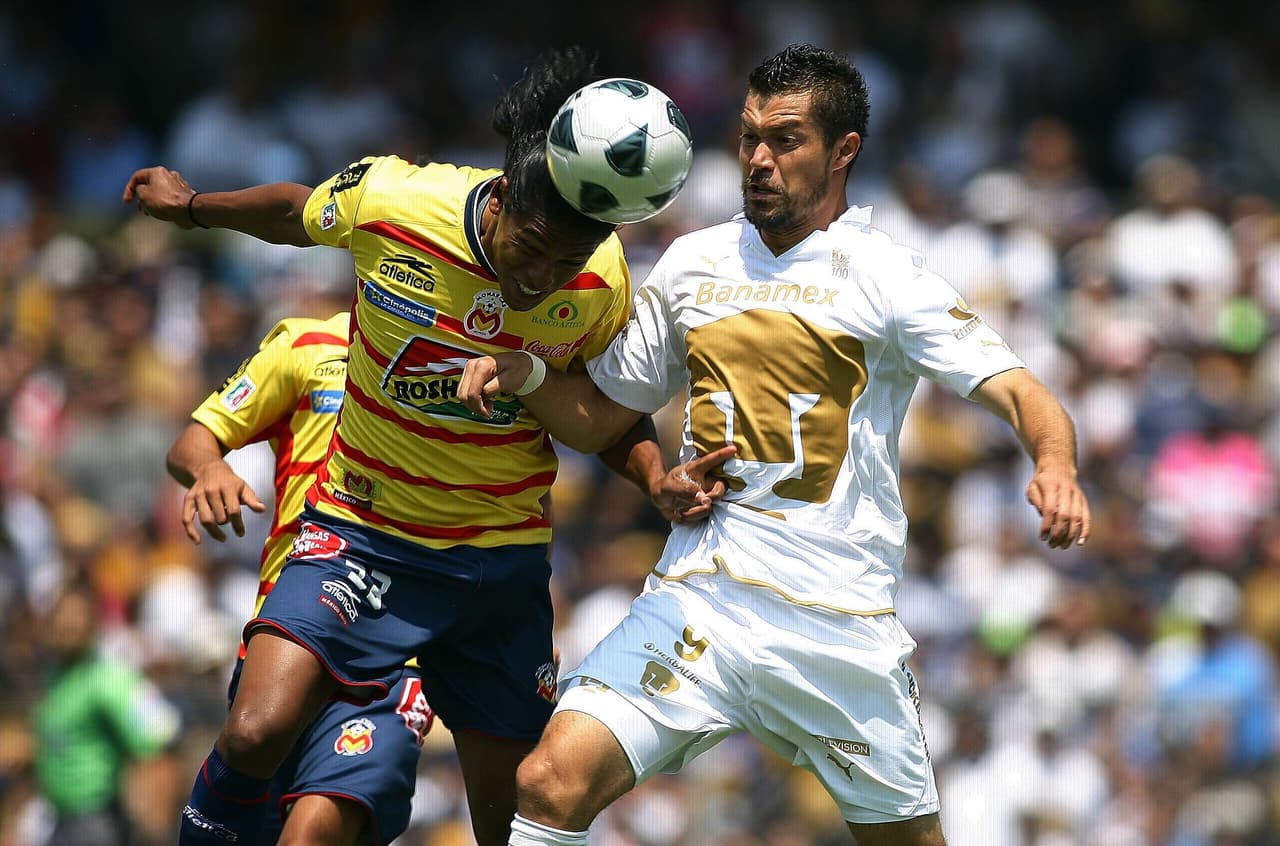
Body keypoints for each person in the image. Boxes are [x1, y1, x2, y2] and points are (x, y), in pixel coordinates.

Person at [457, 44, 1092, 846]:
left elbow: (1025, 394)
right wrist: (523, 375)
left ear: (843, 151)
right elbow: (600, 414)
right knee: (548, 785)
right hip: (702, 597)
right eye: (749, 135)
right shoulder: (694, 263)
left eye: (785, 139)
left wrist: (1056, 465)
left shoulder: (887, 275)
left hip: (836, 623)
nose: (758, 158)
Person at [123, 47, 725, 846]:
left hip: (498, 566)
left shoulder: (602, 281)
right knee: (254, 732)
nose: (539, 278)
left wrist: (654, 477)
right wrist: (195, 206)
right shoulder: (398, 200)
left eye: (564, 260)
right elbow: (292, 212)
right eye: (531, 245)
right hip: (365, 532)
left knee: (509, 825)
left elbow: (604, 416)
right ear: (504, 196)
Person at [167, 309, 433, 846]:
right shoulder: (305, 345)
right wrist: (211, 468)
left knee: (310, 836)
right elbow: (193, 441)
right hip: (291, 628)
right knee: (250, 750)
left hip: (401, 646)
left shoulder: (468, 361)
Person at [33, 583, 181, 846]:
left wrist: (156, 821)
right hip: (58, 819)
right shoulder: (53, 680)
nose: (68, 624)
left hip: (96, 822)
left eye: (77, 616)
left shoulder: (110, 680)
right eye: (61, 615)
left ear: (93, 624)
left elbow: (159, 738)